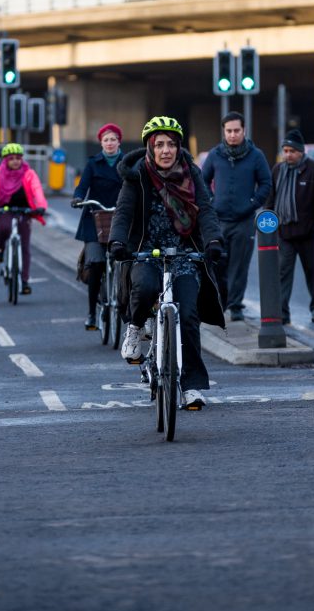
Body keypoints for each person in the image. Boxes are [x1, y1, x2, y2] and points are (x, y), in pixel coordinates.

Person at [108, 116, 225, 410]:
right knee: (145, 286)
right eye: (159, 144)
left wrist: (213, 242)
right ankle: (135, 327)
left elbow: (207, 211)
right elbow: (123, 213)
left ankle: (192, 387)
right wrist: (118, 242)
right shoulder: (137, 175)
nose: (165, 150)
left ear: (178, 148)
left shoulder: (192, 174)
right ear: (150, 147)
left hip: (184, 254)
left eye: (171, 144)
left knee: (187, 317)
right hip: (146, 252)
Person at [201, 111, 272, 322]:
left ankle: (235, 305)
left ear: (244, 131)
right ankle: (220, 303)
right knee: (217, 264)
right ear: (224, 131)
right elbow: (202, 181)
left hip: (244, 221)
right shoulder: (215, 155)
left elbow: (266, 183)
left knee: (239, 266)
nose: (232, 135)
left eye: (236, 131)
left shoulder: (256, 155)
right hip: (219, 221)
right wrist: (212, 201)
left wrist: (252, 204)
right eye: (229, 131)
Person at [263, 128, 314, 324]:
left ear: (301, 151)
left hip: (308, 232)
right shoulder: (277, 170)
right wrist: (267, 222)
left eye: (292, 151)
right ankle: (283, 313)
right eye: (285, 151)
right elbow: (270, 200)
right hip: (284, 233)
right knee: (283, 274)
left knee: (313, 273)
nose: (288, 155)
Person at [71, 123, 125, 329]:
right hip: (94, 219)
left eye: (113, 139)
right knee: (95, 263)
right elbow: (82, 186)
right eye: (106, 140)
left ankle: (128, 308)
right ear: (101, 142)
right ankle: (92, 313)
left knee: (129, 262)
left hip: (121, 218)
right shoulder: (93, 163)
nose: (110, 143)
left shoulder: (128, 162)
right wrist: (77, 198)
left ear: (119, 141)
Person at [0, 143, 48, 295]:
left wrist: (41, 206)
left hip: (24, 210)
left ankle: (24, 281)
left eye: (18, 158)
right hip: (4, 208)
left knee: (25, 246)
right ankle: (0, 248)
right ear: (6, 160)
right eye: (12, 158)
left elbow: (37, 190)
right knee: (4, 227)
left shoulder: (29, 173)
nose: (15, 161)